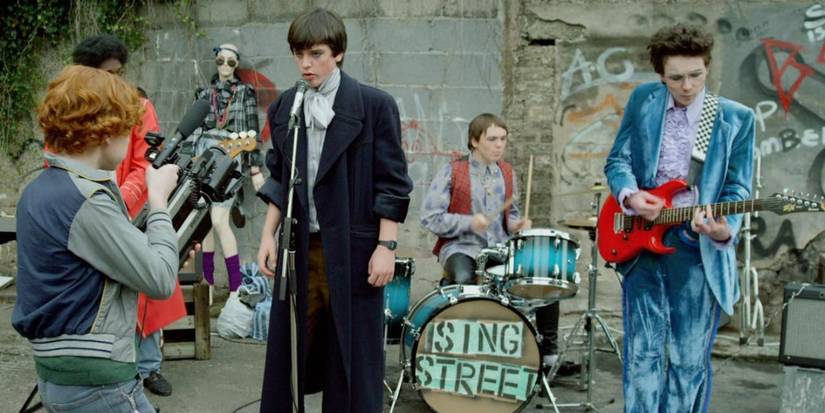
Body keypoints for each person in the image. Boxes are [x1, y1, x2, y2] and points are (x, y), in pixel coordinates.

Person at [256, 8, 412, 413]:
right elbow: (279, 175)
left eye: (316, 54)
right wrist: (267, 237)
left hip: (354, 249)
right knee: (293, 348)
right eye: (298, 54)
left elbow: (392, 182)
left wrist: (387, 245)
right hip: (299, 247)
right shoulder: (286, 107)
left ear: (339, 53)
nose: (306, 65)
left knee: (351, 352)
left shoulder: (374, 106)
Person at [604, 24, 754, 412]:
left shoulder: (736, 119)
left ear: (707, 68)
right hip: (642, 241)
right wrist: (632, 196)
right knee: (642, 356)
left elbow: (737, 189)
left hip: (696, 245)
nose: (687, 86)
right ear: (660, 76)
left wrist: (724, 229)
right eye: (676, 78)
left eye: (696, 75)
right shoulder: (643, 100)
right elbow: (618, 160)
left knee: (688, 360)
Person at [12, 65, 180, 413]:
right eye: (128, 128)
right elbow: (160, 279)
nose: (132, 137)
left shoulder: (38, 190)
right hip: (99, 384)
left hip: (58, 376)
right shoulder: (86, 200)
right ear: (106, 131)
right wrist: (159, 200)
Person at [69, 34, 179, 397]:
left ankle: (148, 367)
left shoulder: (139, 106)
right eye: (108, 74)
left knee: (143, 288)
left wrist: (122, 201)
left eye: (120, 72)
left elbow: (146, 161)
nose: (117, 81)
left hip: (133, 212)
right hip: (87, 217)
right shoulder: (73, 108)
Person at [420, 113, 567, 372]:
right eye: (492, 139)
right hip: (461, 247)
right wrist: (468, 223)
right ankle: (457, 355)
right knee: (464, 281)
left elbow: (510, 214)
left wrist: (517, 224)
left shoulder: (507, 173)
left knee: (543, 280)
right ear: (475, 141)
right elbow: (430, 217)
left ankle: (547, 358)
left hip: (499, 247)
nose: (499, 145)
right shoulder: (453, 171)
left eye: (503, 139)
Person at [192, 43, 263, 295]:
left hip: (230, 160)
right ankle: (207, 284)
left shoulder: (244, 92)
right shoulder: (204, 92)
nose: (224, 66)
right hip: (204, 160)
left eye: (230, 62)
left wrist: (255, 169)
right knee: (206, 223)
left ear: (236, 65)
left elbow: (252, 132)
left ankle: (235, 287)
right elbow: (195, 129)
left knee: (219, 220)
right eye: (221, 61)